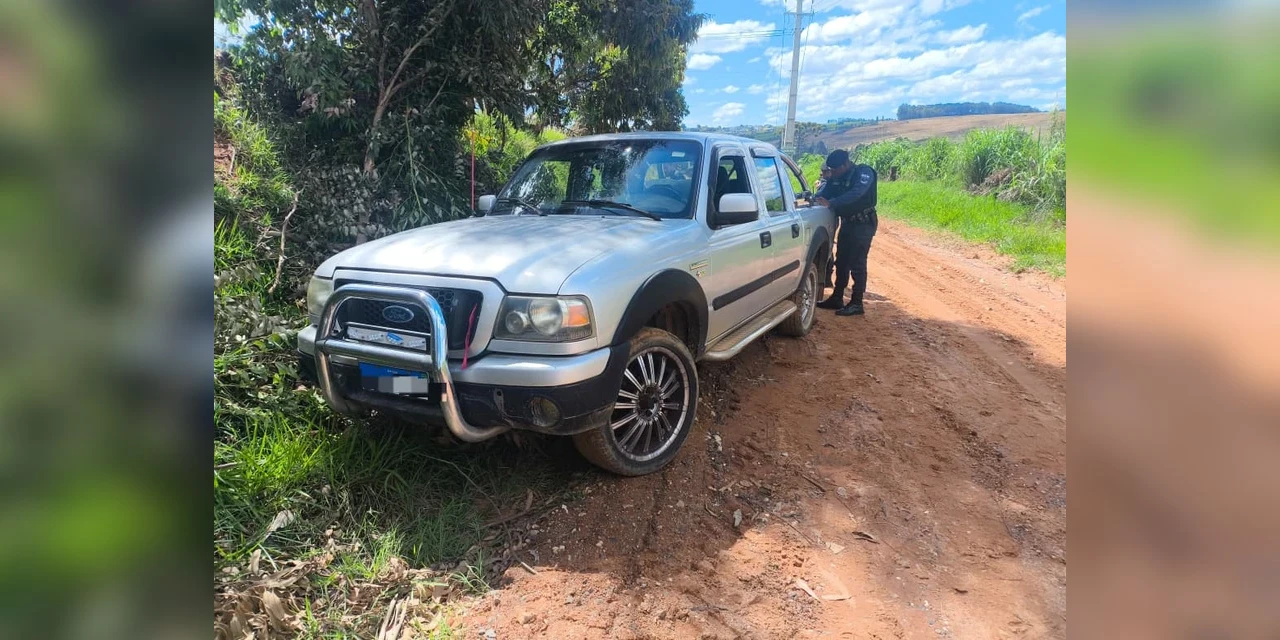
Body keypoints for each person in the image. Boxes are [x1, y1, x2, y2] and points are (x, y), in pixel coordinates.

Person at [815, 149, 878, 316]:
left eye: (835, 170)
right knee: (842, 261)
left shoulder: (863, 173)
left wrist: (832, 203)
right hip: (848, 223)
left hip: (863, 223)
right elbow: (822, 194)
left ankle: (857, 302)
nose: (833, 173)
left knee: (857, 262)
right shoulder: (837, 177)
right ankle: (837, 297)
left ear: (845, 164)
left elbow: (856, 194)